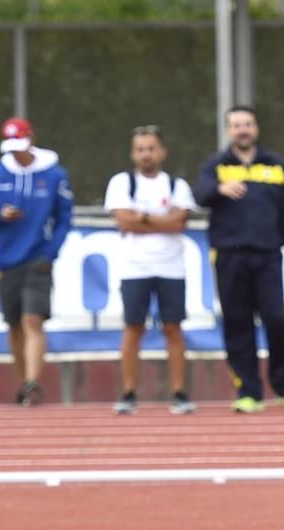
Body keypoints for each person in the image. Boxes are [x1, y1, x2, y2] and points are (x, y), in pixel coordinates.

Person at [193, 106, 284, 414]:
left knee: (276, 318)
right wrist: (219, 188)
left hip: (267, 256)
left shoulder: (276, 165)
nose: (242, 129)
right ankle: (248, 392)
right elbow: (199, 194)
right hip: (229, 257)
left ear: (256, 128)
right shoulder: (217, 165)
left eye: (247, 124)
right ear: (228, 130)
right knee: (237, 322)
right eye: (236, 125)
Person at [0, 117, 73, 406]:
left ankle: (32, 382)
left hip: (38, 259)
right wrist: (0, 216)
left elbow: (64, 217)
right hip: (6, 259)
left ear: (31, 139)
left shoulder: (54, 174)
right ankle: (23, 385)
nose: (16, 153)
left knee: (33, 320)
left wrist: (51, 251)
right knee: (14, 326)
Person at [104, 125, 197, 415]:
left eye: (151, 148)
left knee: (173, 329)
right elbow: (123, 221)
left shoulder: (177, 185)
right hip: (134, 268)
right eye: (141, 149)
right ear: (133, 154)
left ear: (162, 152)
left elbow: (179, 223)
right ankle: (129, 392)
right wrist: (159, 219)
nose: (146, 154)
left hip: (171, 268)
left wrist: (141, 217)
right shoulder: (121, 183)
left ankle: (179, 393)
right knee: (133, 328)